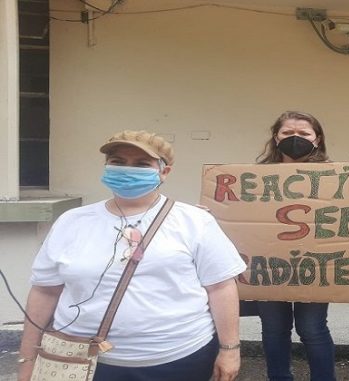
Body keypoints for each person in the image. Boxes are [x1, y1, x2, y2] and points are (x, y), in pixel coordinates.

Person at [17, 130, 246, 381]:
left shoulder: (194, 221)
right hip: (82, 362)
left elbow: (221, 287)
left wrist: (230, 350)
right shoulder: (71, 222)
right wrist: (27, 360)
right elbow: (44, 291)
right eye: (118, 162)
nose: (128, 170)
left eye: (141, 164)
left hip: (179, 360)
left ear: (164, 172)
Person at [254, 111, 336, 381]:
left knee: (312, 328)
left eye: (303, 133)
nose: (295, 138)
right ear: (275, 137)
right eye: (288, 133)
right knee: (273, 328)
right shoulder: (254, 178)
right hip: (269, 265)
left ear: (317, 138)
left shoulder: (336, 176)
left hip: (315, 263)